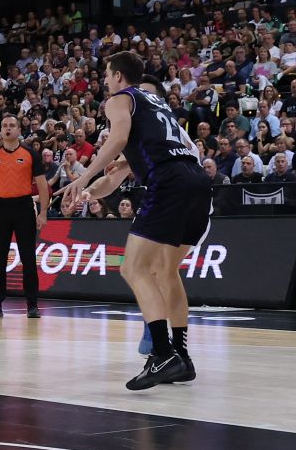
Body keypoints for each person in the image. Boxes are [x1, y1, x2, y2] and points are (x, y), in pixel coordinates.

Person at [59, 55, 212, 390]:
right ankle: (182, 358)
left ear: (117, 76)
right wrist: (88, 193)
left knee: (133, 269)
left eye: (106, 76)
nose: (104, 82)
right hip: (197, 183)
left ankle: (162, 352)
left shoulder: (119, 100)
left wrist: (83, 177)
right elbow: (115, 177)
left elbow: (116, 140)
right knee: (165, 271)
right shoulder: (154, 106)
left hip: (169, 182)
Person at [0, 114, 47, 319]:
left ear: (18, 130)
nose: (8, 129)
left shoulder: (30, 153)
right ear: (0, 130)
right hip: (0, 208)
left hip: (24, 207)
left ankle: (32, 304)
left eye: (12, 126)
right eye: (4, 126)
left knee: (28, 258)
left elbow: (42, 184)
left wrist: (43, 212)